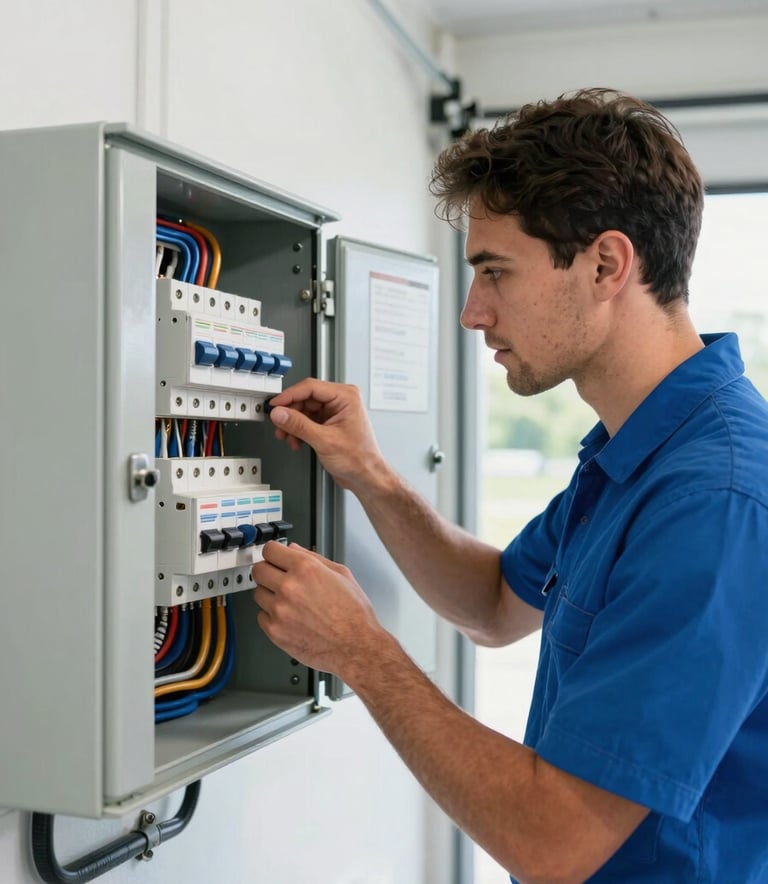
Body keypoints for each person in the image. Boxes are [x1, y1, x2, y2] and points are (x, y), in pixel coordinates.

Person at [251, 88, 768, 883]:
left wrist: (359, 650)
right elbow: (494, 604)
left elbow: (554, 841)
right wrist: (372, 476)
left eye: (495, 272)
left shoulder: (712, 499)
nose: (471, 313)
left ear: (606, 264)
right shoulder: (636, 453)